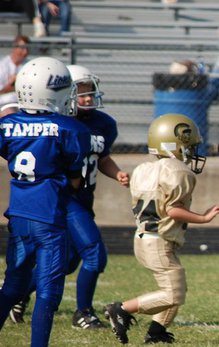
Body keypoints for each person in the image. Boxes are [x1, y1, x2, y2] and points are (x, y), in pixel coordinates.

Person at [9, 65, 130, 329]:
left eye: (90, 92)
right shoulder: (59, 125)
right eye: (82, 93)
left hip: (85, 198)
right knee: (95, 254)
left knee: (67, 262)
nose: (88, 98)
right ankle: (83, 312)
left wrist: (118, 173)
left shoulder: (104, 124)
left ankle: (14, 295)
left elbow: (102, 157)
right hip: (64, 198)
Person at [0, 56, 91, 347]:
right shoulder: (70, 129)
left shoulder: (8, 124)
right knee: (48, 291)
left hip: (19, 216)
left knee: (12, 287)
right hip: (49, 218)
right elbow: (76, 179)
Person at [104, 114, 219, 345]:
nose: (192, 152)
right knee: (173, 293)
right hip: (158, 239)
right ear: (175, 145)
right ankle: (121, 309)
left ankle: (157, 332)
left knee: (176, 287)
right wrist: (204, 217)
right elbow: (173, 210)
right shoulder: (179, 172)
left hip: (144, 236)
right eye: (189, 146)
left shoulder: (143, 169)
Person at [0, 35, 29, 112]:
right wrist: (15, 84)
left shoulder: (27, 66)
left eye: (27, 48)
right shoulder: (3, 65)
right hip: (5, 104)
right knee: (10, 113)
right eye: (22, 48)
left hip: (24, 105)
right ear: (15, 48)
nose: (25, 52)